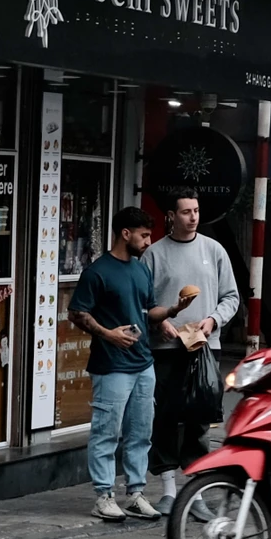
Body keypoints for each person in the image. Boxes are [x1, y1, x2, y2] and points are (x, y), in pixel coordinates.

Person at [69, 206, 192, 522]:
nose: (149, 241)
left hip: (143, 363)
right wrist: (107, 334)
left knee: (141, 432)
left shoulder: (141, 270)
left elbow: (148, 311)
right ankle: (103, 495)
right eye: (144, 235)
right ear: (126, 233)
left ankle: (135, 493)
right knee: (106, 431)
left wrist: (174, 309)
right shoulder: (98, 272)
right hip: (111, 366)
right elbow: (77, 313)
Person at [140, 190, 240, 512]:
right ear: (172, 215)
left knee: (199, 419)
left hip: (204, 346)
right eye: (185, 212)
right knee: (166, 416)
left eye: (196, 210)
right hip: (166, 347)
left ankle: (196, 494)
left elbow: (231, 297)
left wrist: (213, 320)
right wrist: (160, 323)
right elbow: (144, 303)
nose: (193, 217)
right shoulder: (154, 255)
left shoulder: (214, 250)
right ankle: (168, 489)